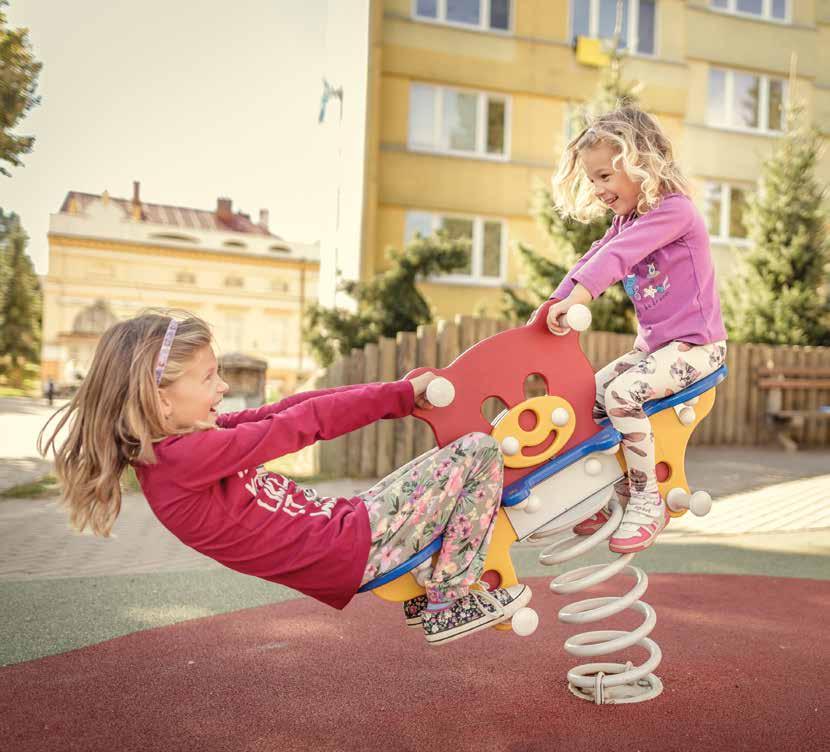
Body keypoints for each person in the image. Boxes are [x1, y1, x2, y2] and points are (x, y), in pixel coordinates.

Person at [38, 311, 531, 646]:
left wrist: (400, 392)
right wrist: (399, 397)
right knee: (480, 451)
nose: (223, 387)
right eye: (209, 377)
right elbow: (300, 425)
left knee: (434, 473)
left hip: (349, 528)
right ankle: (450, 599)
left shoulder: (185, 443)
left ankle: (431, 580)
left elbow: (286, 408)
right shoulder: (181, 461)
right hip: (349, 547)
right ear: (159, 397)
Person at [531, 106, 727, 553]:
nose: (598, 189)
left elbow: (615, 261)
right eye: (592, 180)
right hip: (657, 350)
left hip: (698, 347)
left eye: (605, 176)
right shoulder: (627, 220)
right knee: (586, 398)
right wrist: (553, 306)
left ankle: (645, 499)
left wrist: (579, 299)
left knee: (622, 396)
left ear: (641, 161)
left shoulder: (674, 212)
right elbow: (593, 257)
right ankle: (602, 493)